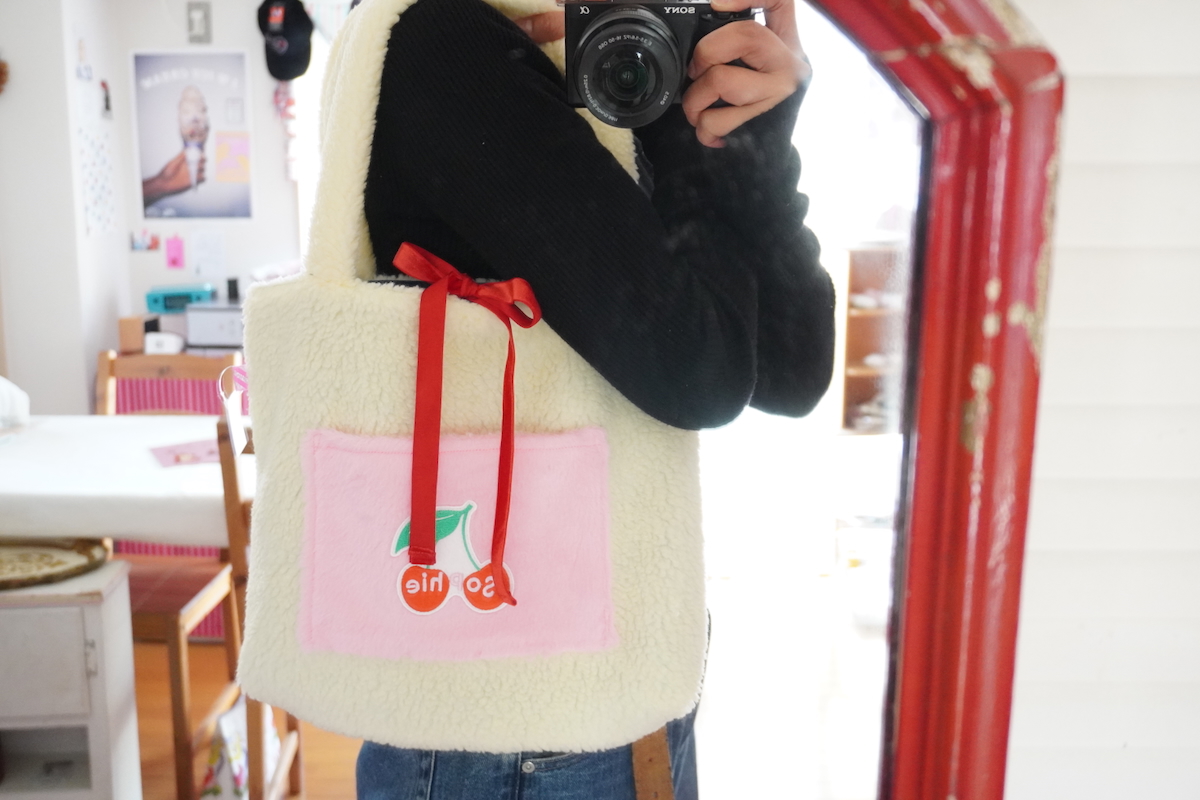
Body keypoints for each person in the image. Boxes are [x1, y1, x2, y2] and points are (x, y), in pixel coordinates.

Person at [356, 0, 834, 794]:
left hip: (613, 684)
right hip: (512, 729)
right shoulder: (448, 40)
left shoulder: (603, 56)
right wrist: (702, 138)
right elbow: (702, 376)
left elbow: (791, 368)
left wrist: (746, 126)